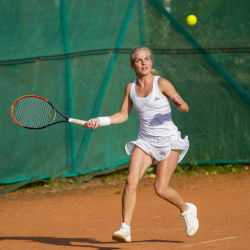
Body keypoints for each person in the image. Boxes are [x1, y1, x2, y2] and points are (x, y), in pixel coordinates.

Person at [84, 47, 199, 243]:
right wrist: (99, 120)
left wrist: (179, 103)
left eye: (147, 59)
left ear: (151, 62)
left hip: (169, 141)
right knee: (130, 180)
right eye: (139, 60)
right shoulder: (130, 88)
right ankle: (125, 228)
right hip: (146, 141)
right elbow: (122, 115)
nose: (144, 63)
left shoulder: (162, 83)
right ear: (133, 65)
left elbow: (185, 106)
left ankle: (187, 210)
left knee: (160, 189)